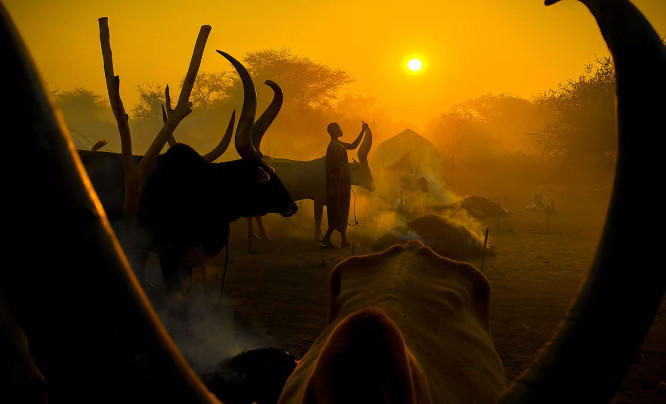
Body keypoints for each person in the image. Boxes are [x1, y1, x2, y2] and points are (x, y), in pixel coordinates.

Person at [321, 121, 369, 248]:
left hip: (341, 183)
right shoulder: (333, 146)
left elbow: (353, 145)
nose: (341, 130)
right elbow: (333, 166)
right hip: (336, 185)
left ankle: (343, 239)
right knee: (337, 210)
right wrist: (349, 166)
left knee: (342, 210)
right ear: (335, 131)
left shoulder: (338, 144)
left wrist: (363, 131)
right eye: (339, 128)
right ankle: (326, 239)